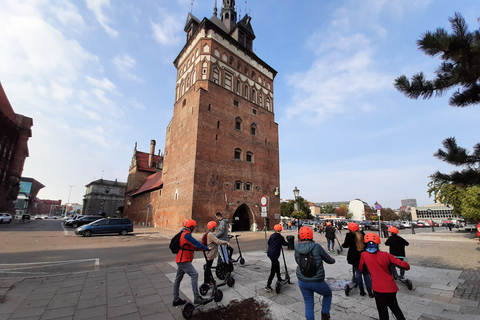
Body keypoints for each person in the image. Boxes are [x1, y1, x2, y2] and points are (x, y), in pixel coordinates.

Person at [359, 233, 410, 320]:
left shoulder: (364, 255)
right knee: (395, 308)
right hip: (390, 287)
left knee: (382, 312)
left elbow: (361, 268)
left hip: (378, 288)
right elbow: (405, 266)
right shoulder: (386, 255)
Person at [295, 226, 335, 320]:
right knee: (328, 294)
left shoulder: (297, 247)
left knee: (308, 304)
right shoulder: (316, 246)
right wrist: (333, 260)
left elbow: (298, 261)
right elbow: (328, 260)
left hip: (303, 280)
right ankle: (325, 314)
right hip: (317, 280)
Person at [173, 219, 210, 307]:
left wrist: (201, 249)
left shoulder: (183, 233)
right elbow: (196, 243)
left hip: (180, 259)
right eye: (194, 226)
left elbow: (192, 246)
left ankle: (176, 299)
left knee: (178, 279)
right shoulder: (186, 235)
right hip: (184, 260)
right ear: (192, 227)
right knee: (194, 275)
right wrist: (206, 248)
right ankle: (196, 297)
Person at [341, 222, 373, 298]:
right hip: (364, 256)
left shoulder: (349, 235)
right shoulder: (362, 234)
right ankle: (369, 291)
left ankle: (361, 291)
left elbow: (346, 245)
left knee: (358, 273)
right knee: (366, 273)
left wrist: (343, 245)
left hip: (354, 257)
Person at [265, 224, 288, 291]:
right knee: (273, 270)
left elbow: (269, 243)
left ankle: (279, 278)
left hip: (269, 253)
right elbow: (285, 243)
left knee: (277, 264)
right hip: (274, 254)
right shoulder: (280, 237)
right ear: (280, 230)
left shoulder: (272, 235)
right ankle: (268, 285)